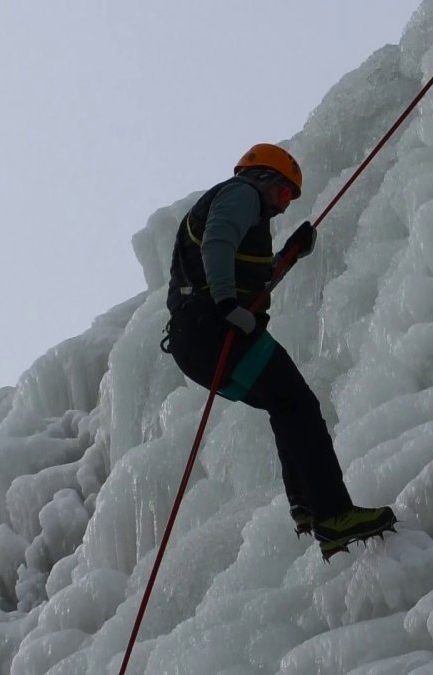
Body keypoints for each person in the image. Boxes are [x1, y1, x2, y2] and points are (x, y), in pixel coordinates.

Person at [162, 143, 396, 560]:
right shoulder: (241, 193)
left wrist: (291, 253)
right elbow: (216, 242)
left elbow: (257, 280)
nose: (285, 206)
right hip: (212, 326)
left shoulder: (248, 209)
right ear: (264, 178)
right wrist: (227, 305)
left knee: (287, 404)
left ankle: (307, 505)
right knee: (298, 404)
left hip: (193, 339)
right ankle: (332, 513)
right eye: (286, 194)